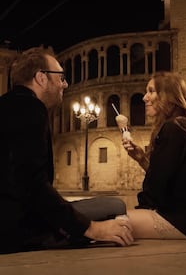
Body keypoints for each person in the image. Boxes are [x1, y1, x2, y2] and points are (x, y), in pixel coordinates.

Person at [0, 47, 133, 254]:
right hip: (16, 228)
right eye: (60, 77)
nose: (65, 84)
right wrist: (91, 229)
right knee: (114, 207)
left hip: (13, 218)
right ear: (41, 78)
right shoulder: (30, 108)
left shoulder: (8, 105)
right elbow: (31, 184)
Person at [122, 71, 186, 240]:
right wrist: (141, 159)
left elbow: (156, 187)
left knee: (115, 222)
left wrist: (143, 211)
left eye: (151, 91)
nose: (144, 97)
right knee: (114, 214)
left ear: (168, 96)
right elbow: (172, 178)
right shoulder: (184, 126)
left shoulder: (173, 129)